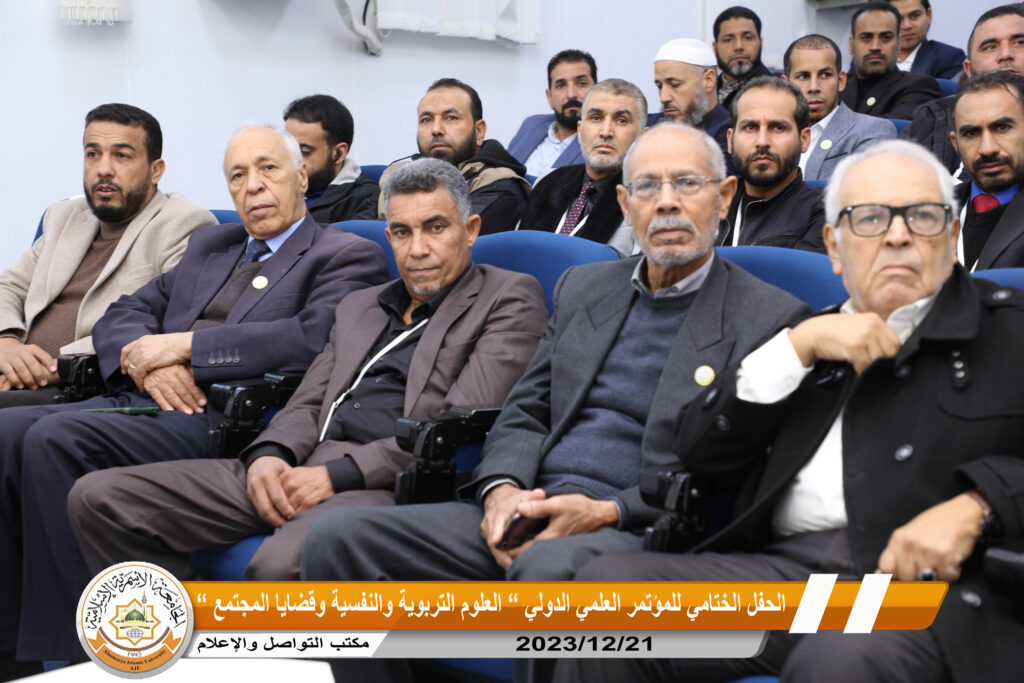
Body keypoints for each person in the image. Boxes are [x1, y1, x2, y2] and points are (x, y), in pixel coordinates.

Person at [557, 139, 1022, 683]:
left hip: (918, 593)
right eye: (870, 218)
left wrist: (981, 504)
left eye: (922, 216)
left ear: (952, 233)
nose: (898, 235)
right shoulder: (802, 335)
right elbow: (697, 456)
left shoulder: (1010, 330)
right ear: (834, 246)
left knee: (841, 658)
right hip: (788, 578)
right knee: (606, 595)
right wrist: (795, 350)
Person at [300, 122, 809, 616]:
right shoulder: (584, 287)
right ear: (625, 204)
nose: (667, 202)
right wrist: (501, 488)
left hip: (638, 530)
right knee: (338, 537)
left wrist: (610, 511)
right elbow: (524, 410)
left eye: (688, 184)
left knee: (545, 569)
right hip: (529, 503)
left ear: (723, 197)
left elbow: (731, 471)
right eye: (647, 187)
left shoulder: (770, 318)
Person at [0, 124, 389, 671]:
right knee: (7, 433)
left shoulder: (345, 253)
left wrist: (186, 347)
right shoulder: (214, 246)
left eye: (268, 169)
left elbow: (312, 338)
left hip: (233, 417)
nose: (253, 186)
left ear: (302, 176)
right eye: (238, 175)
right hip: (154, 399)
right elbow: (125, 313)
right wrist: (151, 365)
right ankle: (12, 651)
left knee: (53, 438)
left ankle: (69, 658)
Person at [70, 156, 547, 588]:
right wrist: (269, 455)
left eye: (435, 228)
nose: (417, 248)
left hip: (390, 481)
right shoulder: (361, 305)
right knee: (102, 499)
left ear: (471, 229)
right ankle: (188, 639)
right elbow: (309, 399)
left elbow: (452, 427)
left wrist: (336, 476)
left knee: (277, 568)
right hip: (301, 461)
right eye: (402, 232)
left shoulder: (507, 297)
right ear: (389, 239)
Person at [0, 103, 214, 407]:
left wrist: (52, 367)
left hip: (84, 385)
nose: (103, 169)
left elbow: (167, 325)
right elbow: (9, 287)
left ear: (156, 170)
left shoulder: (184, 224)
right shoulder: (64, 216)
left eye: (122, 155)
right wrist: (6, 343)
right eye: (93, 154)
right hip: (17, 372)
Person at [379, 78, 531, 234]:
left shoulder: (499, 187)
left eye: (451, 118)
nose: (436, 129)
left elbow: (443, 239)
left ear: (479, 131)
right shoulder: (395, 173)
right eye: (426, 120)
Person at [518, 79, 645, 255]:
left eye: (621, 121)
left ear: (643, 138)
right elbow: (516, 251)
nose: (606, 132)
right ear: (579, 131)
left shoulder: (647, 198)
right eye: (596, 118)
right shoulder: (548, 180)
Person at [902, 4, 1024, 174]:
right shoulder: (935, 116)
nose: (1005, 54)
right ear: (968, 69)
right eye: (990, 47)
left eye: (1019, 43)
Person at [720, 77, 825, 251]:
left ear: (804, 139)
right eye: (750, 127)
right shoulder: (709, 207)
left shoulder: (825, 212)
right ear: (730, 140)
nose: (762, 142)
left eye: (778, 127)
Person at [783, 34, 896, 182]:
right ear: (785, 85)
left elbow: (862, 190)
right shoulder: (768, 132)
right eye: (803, 76)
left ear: (841, 81)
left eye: (825, 75)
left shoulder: (874, 130)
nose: (814, 87)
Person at [950, 70, 1024, 270]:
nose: (987, 149)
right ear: (956, 144)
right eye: (971, 133)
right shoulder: (931, 208)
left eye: (1002, 128)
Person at [283, 94, 379, 222]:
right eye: (288, 149)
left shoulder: (365, 201)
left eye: (304, 152)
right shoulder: (274, 188)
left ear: (338, 153)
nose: (292, 159)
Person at [839, 1, 941, 120]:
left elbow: (890, 128)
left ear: (898, 44)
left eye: (886, 38)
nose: (875, 47)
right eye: (866, 38)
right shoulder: (836, 86)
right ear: (851, 44)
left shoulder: (919, 85)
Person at [508, 49, 597, 180]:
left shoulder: (600, 143)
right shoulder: (532, 124)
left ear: (597, 92)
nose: (571, 94)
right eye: (561, 85)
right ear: (549, 97)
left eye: (581, 84)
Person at [652, 37, 735, 175]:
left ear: (708, 80)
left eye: (674, 85)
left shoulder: (729, 136)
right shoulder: (650, 126)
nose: (663, 97)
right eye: (659, 86)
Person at [713, 6, 775, 111]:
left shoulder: (778, 90)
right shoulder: (704, 92)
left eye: (748, 38)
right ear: (715, 48)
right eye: (728, 40)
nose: (738, 46)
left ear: (760, 43)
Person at [887, 0, 965, 79]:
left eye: (915, 16)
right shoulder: (880, 57)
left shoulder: (948, 58)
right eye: (898, 19)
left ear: (928, 15)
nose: (907, 26)